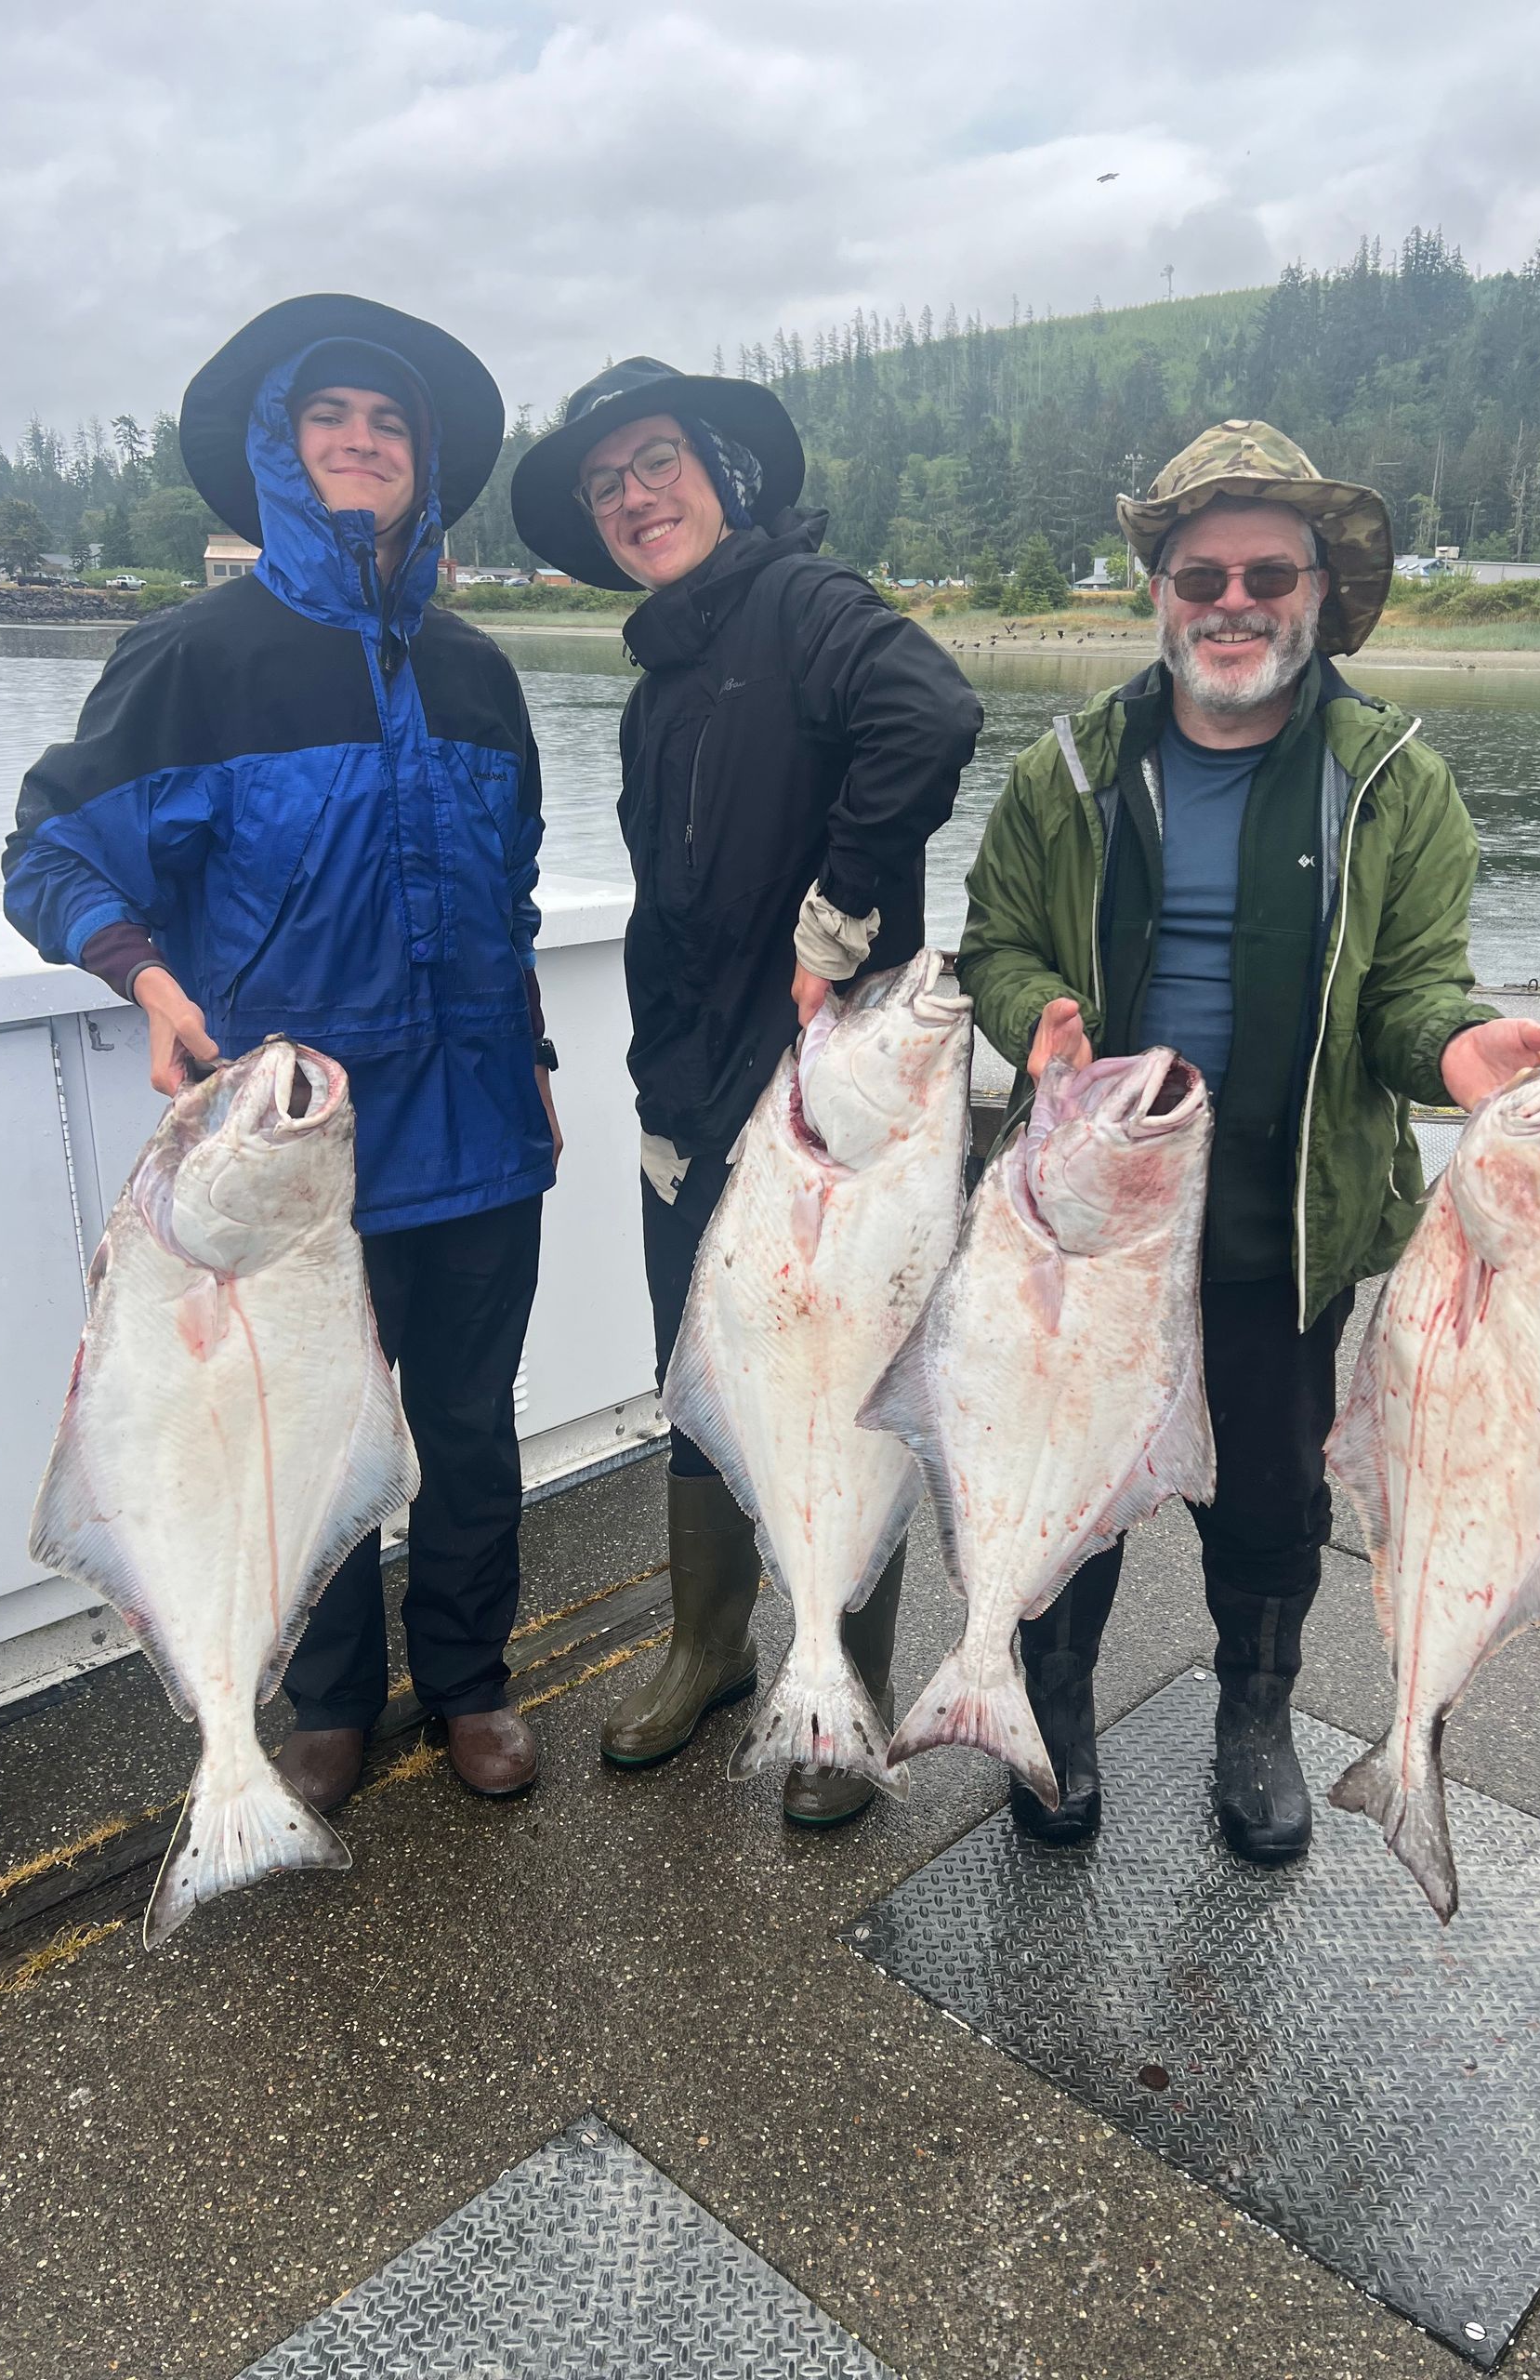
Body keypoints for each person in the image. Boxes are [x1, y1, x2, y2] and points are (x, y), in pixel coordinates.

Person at [959, 419, 1540, 1853]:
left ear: (1316, 591)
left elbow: (1415, 987)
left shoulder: (1395, 780)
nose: (1232, 601)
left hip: (1281, 1215)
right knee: (1075, 1478)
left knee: (1273, 1494)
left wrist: (1457, 1049)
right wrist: (1034, 1009)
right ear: (1159, 591)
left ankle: (1256, 1713)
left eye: (1266, 573)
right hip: (1093, 1210)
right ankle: (1048, 1703)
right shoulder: (1067, 768)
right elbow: (990, 941)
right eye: (1200, 573)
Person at [3, 295, 560, 1813]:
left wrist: (541, 1046)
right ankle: (324, 1696)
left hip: (482, 1134)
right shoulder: (196, 655)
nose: (363, 442)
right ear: (279, 452)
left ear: (422, 461)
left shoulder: (478, 670)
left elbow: (505, 892)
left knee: (464, 1428)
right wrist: (145, 975)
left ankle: (469, 1679)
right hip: (292, 1155)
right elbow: (50, 852)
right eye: (332, 419)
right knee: (297, 1432)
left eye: (390, 423)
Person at [511, 358, 981, 1825]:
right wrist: (658, 1089)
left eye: (655, 463)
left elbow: (932, 714)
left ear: (722, 468)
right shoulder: (659, 675)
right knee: (705, 1382)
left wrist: (836, 923)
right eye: (606, 485)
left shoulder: (809, 604)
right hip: (693, 1102)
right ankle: (710, 1649)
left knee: (854, 1386)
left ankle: (846, 1691)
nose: (635, 498)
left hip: (837, 1112)